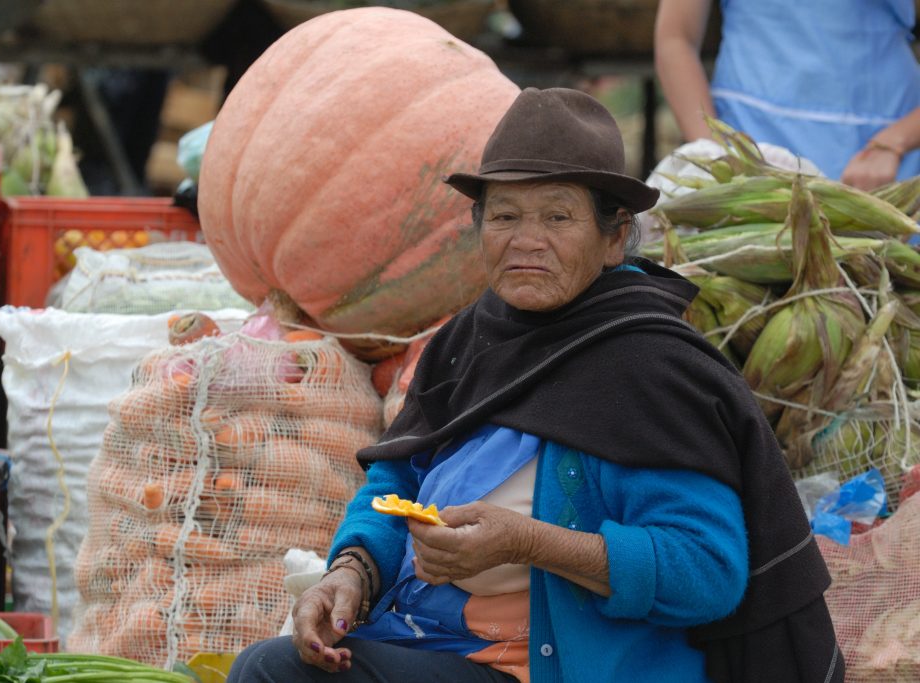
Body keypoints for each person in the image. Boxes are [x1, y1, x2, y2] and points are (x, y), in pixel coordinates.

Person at [227, 88, 844, 683]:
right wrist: (353, 572)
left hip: (543, 666)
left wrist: (530, 543)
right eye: (504, 216)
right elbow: (396, 482)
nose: (527, 240)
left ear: (612, 236)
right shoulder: (468, 340)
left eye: (558, 216)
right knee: (279, 663)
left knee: (268, 673)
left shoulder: (652, 369)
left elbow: (707, 572)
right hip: (429, 638)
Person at [654, 0, 920, 191]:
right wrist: (712, 150)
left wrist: (894, 142)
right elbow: (676, 39)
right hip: (748, 135)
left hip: (882, 152)